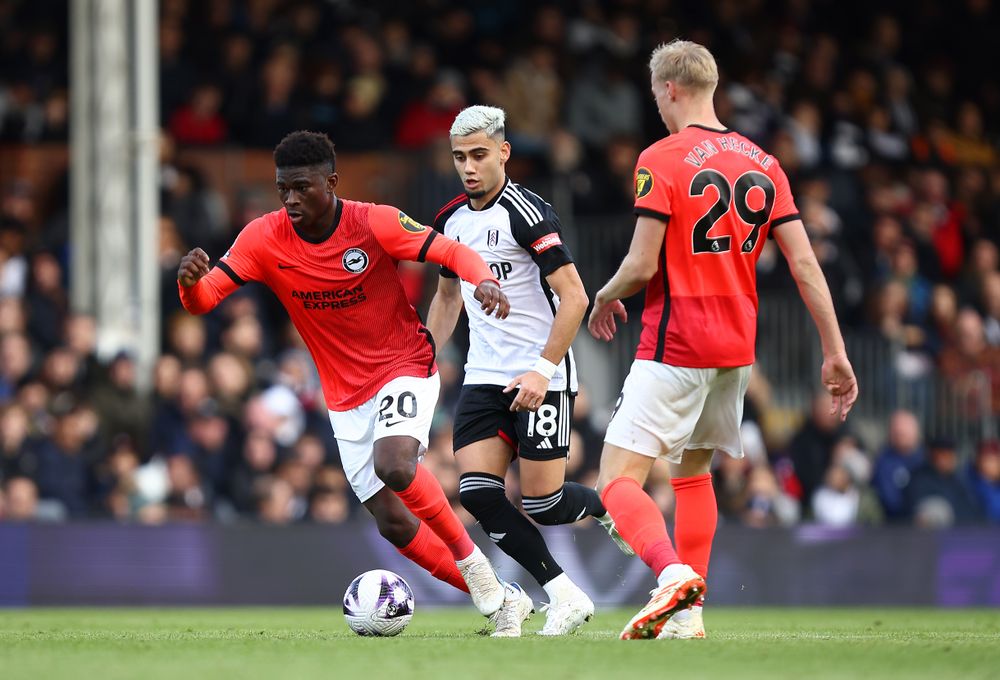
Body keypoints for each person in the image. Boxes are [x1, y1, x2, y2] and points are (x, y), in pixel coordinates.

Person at [177, 130, 526, 633]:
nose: (291, 199)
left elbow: (448, 251)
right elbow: (205, 299)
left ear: (332, 182)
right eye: (283, 190)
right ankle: (498, 598)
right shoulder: (263, 238)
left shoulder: (373, 221)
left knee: (395, 463)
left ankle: (478, 570)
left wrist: (483, 279)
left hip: (403, 362)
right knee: (393, 522)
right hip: (344, 396)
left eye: (302, 187)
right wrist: (188, 284)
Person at [588, 40, 859, 640]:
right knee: (692, 474)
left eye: (657, 95)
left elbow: (639, 266)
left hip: (676, 341)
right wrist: (835, 351)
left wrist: (603, 297)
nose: (657, 105)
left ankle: (671, 575)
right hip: (735, 350)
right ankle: (690, 617)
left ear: (671, 90)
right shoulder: (765, 162)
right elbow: (805, 264)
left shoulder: (660, 157)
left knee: (616, 482)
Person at [426, 105, 632, 637]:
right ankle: (563, 594)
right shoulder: (450, 220)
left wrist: (542, 371)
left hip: (542, 375)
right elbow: (448, 296)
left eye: (478, 155)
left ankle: (605, 506)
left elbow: (575, 296)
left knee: (546, 503)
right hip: (481, 375)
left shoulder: (528, 212)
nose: (468, 167)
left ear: (503, 153)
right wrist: (424, 354)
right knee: (476, 494)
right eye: (459, 157)